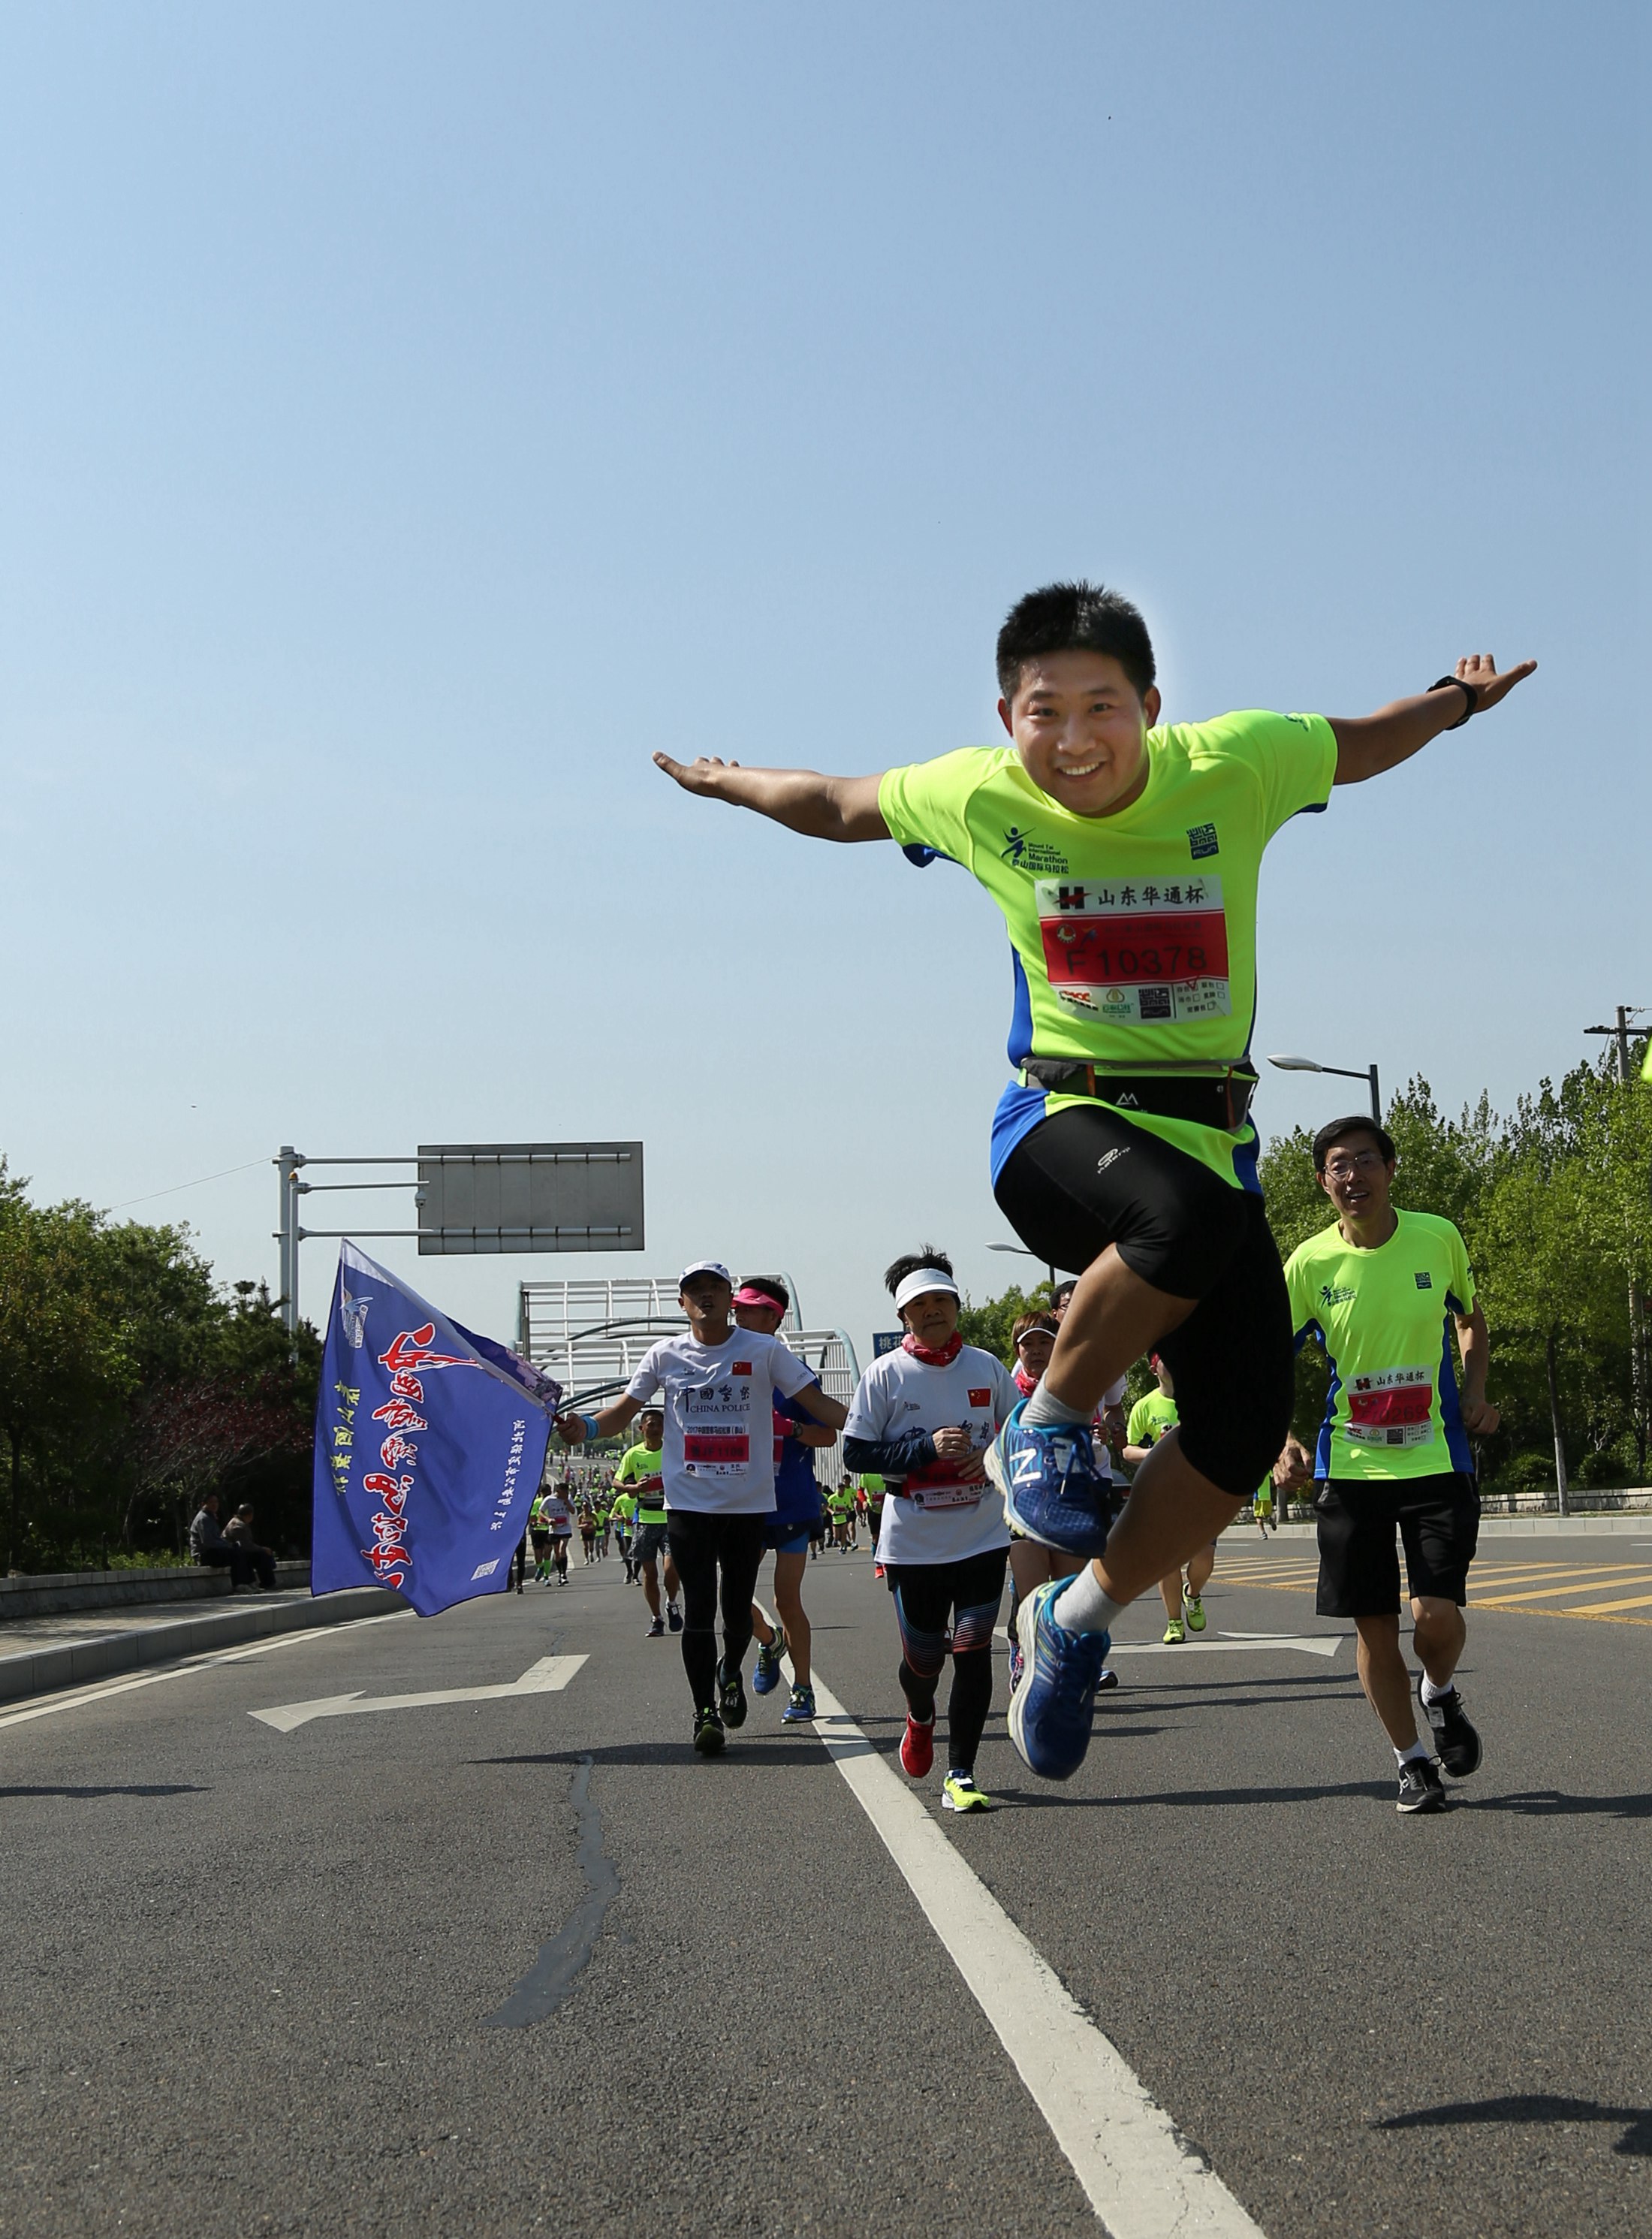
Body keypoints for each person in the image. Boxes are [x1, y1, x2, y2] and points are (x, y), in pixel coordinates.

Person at [654, 581, 1533, 1781]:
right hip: (1059, 1122)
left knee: (1241, 1420)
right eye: (1043, 712)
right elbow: (836, 801)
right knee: (1183, 1214)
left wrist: (1457, 701)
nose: (1072, 740)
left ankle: (1073, 1619)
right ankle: (1050, 1430)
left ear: (1153, 706)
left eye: (1101, 708)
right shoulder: (977, 791)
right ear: (1006, 716)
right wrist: (731, 781)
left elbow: (1371, 742)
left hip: (1211, 1136)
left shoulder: (1240, 762)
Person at [1277, 1116, 1500, 1815]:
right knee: (1372, 1625)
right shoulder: (1308, 1264)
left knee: (1436, 1612)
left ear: (1391, 1169)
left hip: (1437, 1458)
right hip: (1350, 1470)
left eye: (1366, 1161)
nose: (1353, 1176)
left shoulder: (1438, 1236)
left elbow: (1470, 1319)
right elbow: (1270, 1364)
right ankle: (1410, 1762)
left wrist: (1474, 1389)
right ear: (1324, 1182)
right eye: (1339, 1166)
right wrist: (1280, 1437)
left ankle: (1438, 1691)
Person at [556, 1263, 846, 1754]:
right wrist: (583, 1426)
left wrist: (877, 1425)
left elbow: (820, 1405)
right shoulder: (665, 1354)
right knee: (698, 1607)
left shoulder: (763, 1351)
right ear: (682, 1302)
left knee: (736, 1611)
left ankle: (730, 1669)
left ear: (730, 1298)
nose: (705, 1296)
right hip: (688, 1503)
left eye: (715, 1288)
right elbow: (624, 1411)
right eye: (696, 1290)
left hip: (747, 1504)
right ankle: (704, 1713)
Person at [842, 1249, 1020, 1813]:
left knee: (971, 1650)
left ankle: (961, 1771)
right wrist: (924, 1447)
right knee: (925, 1661)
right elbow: (854, 1451)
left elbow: (1022, 1430)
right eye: (920, 1304)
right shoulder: (885, 1374)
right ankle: (920, 1715)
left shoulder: (988, 1367)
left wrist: (992, 1452)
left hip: (981, 1533)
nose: (932, 1311)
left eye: (941, 1300)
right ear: (904, 1317)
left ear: (956, 1305)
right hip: (913, 1540)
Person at [731, 1278, 836, 1726]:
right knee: (733, 1598)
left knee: (787, 1598)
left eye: (750, 1309)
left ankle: (804, 1688)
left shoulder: (793, 1373)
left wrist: (788, 1429)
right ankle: (770, 1642)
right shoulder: (724, 1365)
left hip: (790, 1501)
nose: (739, 1315)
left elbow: (829, 1434)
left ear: (774, 1318)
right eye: (736, 1307)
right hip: (741, 1502)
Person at [1004, 1311, 1122, 1692]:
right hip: (1027, 1498)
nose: (1036, 1351)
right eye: (1028, 1345)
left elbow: (1108, 1424)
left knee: (1071, 1588)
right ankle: (1028, 1657)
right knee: (1034, 1588)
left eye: (1044, 1342)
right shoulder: (1007, 1387)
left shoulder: (1079, 1379)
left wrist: (1106, 1430)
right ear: (1017, 1351)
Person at [1123, 1355, 1214, 1644]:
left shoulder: (1202, 1398)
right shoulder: (1145, 1406)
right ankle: (1174, 1622)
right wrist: (1153, 1453)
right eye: (1166, 1360)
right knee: (1167, 1563)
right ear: (1154, 1369)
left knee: (1204, 1559)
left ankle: (1193, 1594)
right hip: (1163, 1492)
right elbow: (1128, 1450)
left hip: (1200, 1491)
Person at [613, 1410, 681, 1635]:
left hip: (671, 1518)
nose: (655, 1428)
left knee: (671, 1568)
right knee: (649, 1574)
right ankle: (657, 1618)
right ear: (641, 1429)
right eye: (650, 1424)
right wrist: (632, 1488)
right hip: (644, 1520)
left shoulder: (673, 1450)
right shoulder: (633, 1455)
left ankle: (672, 1603)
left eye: (659, 1424)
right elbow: (617, 1482)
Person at [188, 1493, 267, 1590]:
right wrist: (227, 1545)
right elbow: (208, 1542)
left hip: (212, 1551)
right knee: (235, 1553)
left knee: (242, 1551)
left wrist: (230, 1545)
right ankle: (239, 1585)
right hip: (204, 1555)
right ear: (203, 1504)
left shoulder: (210, 1517)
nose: (214, 1505)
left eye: (216, 1502)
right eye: (211, 1502)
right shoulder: (203, 1519)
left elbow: (216, 1539)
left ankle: (250, 1582)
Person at [222, 1504, 280, 1591]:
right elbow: (246, 1546)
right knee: (262, 1554)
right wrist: (262, 1549)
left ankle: (268, 1583)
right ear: (250, 1515)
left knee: (262, 1554)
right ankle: (268, 1583)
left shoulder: (241, 1523)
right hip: (233, 1553)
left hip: (238, 1552)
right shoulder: (239, 1526)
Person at [610, 1483, 639, 1581]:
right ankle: (629, 1571)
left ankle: (636, 1576)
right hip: (627, 1529)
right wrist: (618, 1517)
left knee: (638, 1553)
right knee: (627, 1550)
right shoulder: (621, 1499)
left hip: (639, 1528)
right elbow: (613, 1512)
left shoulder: (640, 1497)